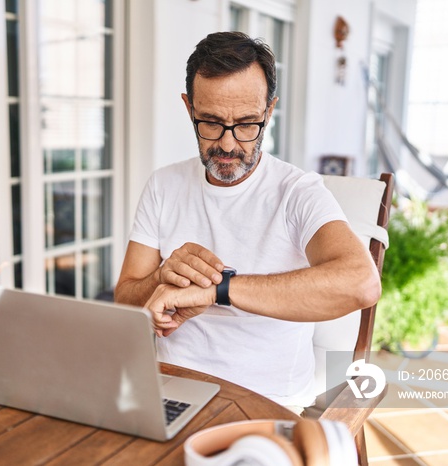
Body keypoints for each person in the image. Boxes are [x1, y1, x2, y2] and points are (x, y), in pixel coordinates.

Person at [114, 31, 380, 409]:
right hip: (166, 388)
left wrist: (218, 289)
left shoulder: (298, 193)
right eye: (209, 122)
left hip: (263, 402)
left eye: (246, 124)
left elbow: (361, 282)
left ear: (269, 112)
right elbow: (125, 301)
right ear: (189, 107)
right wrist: (160, 278)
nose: (226, 144)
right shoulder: (163, 185)